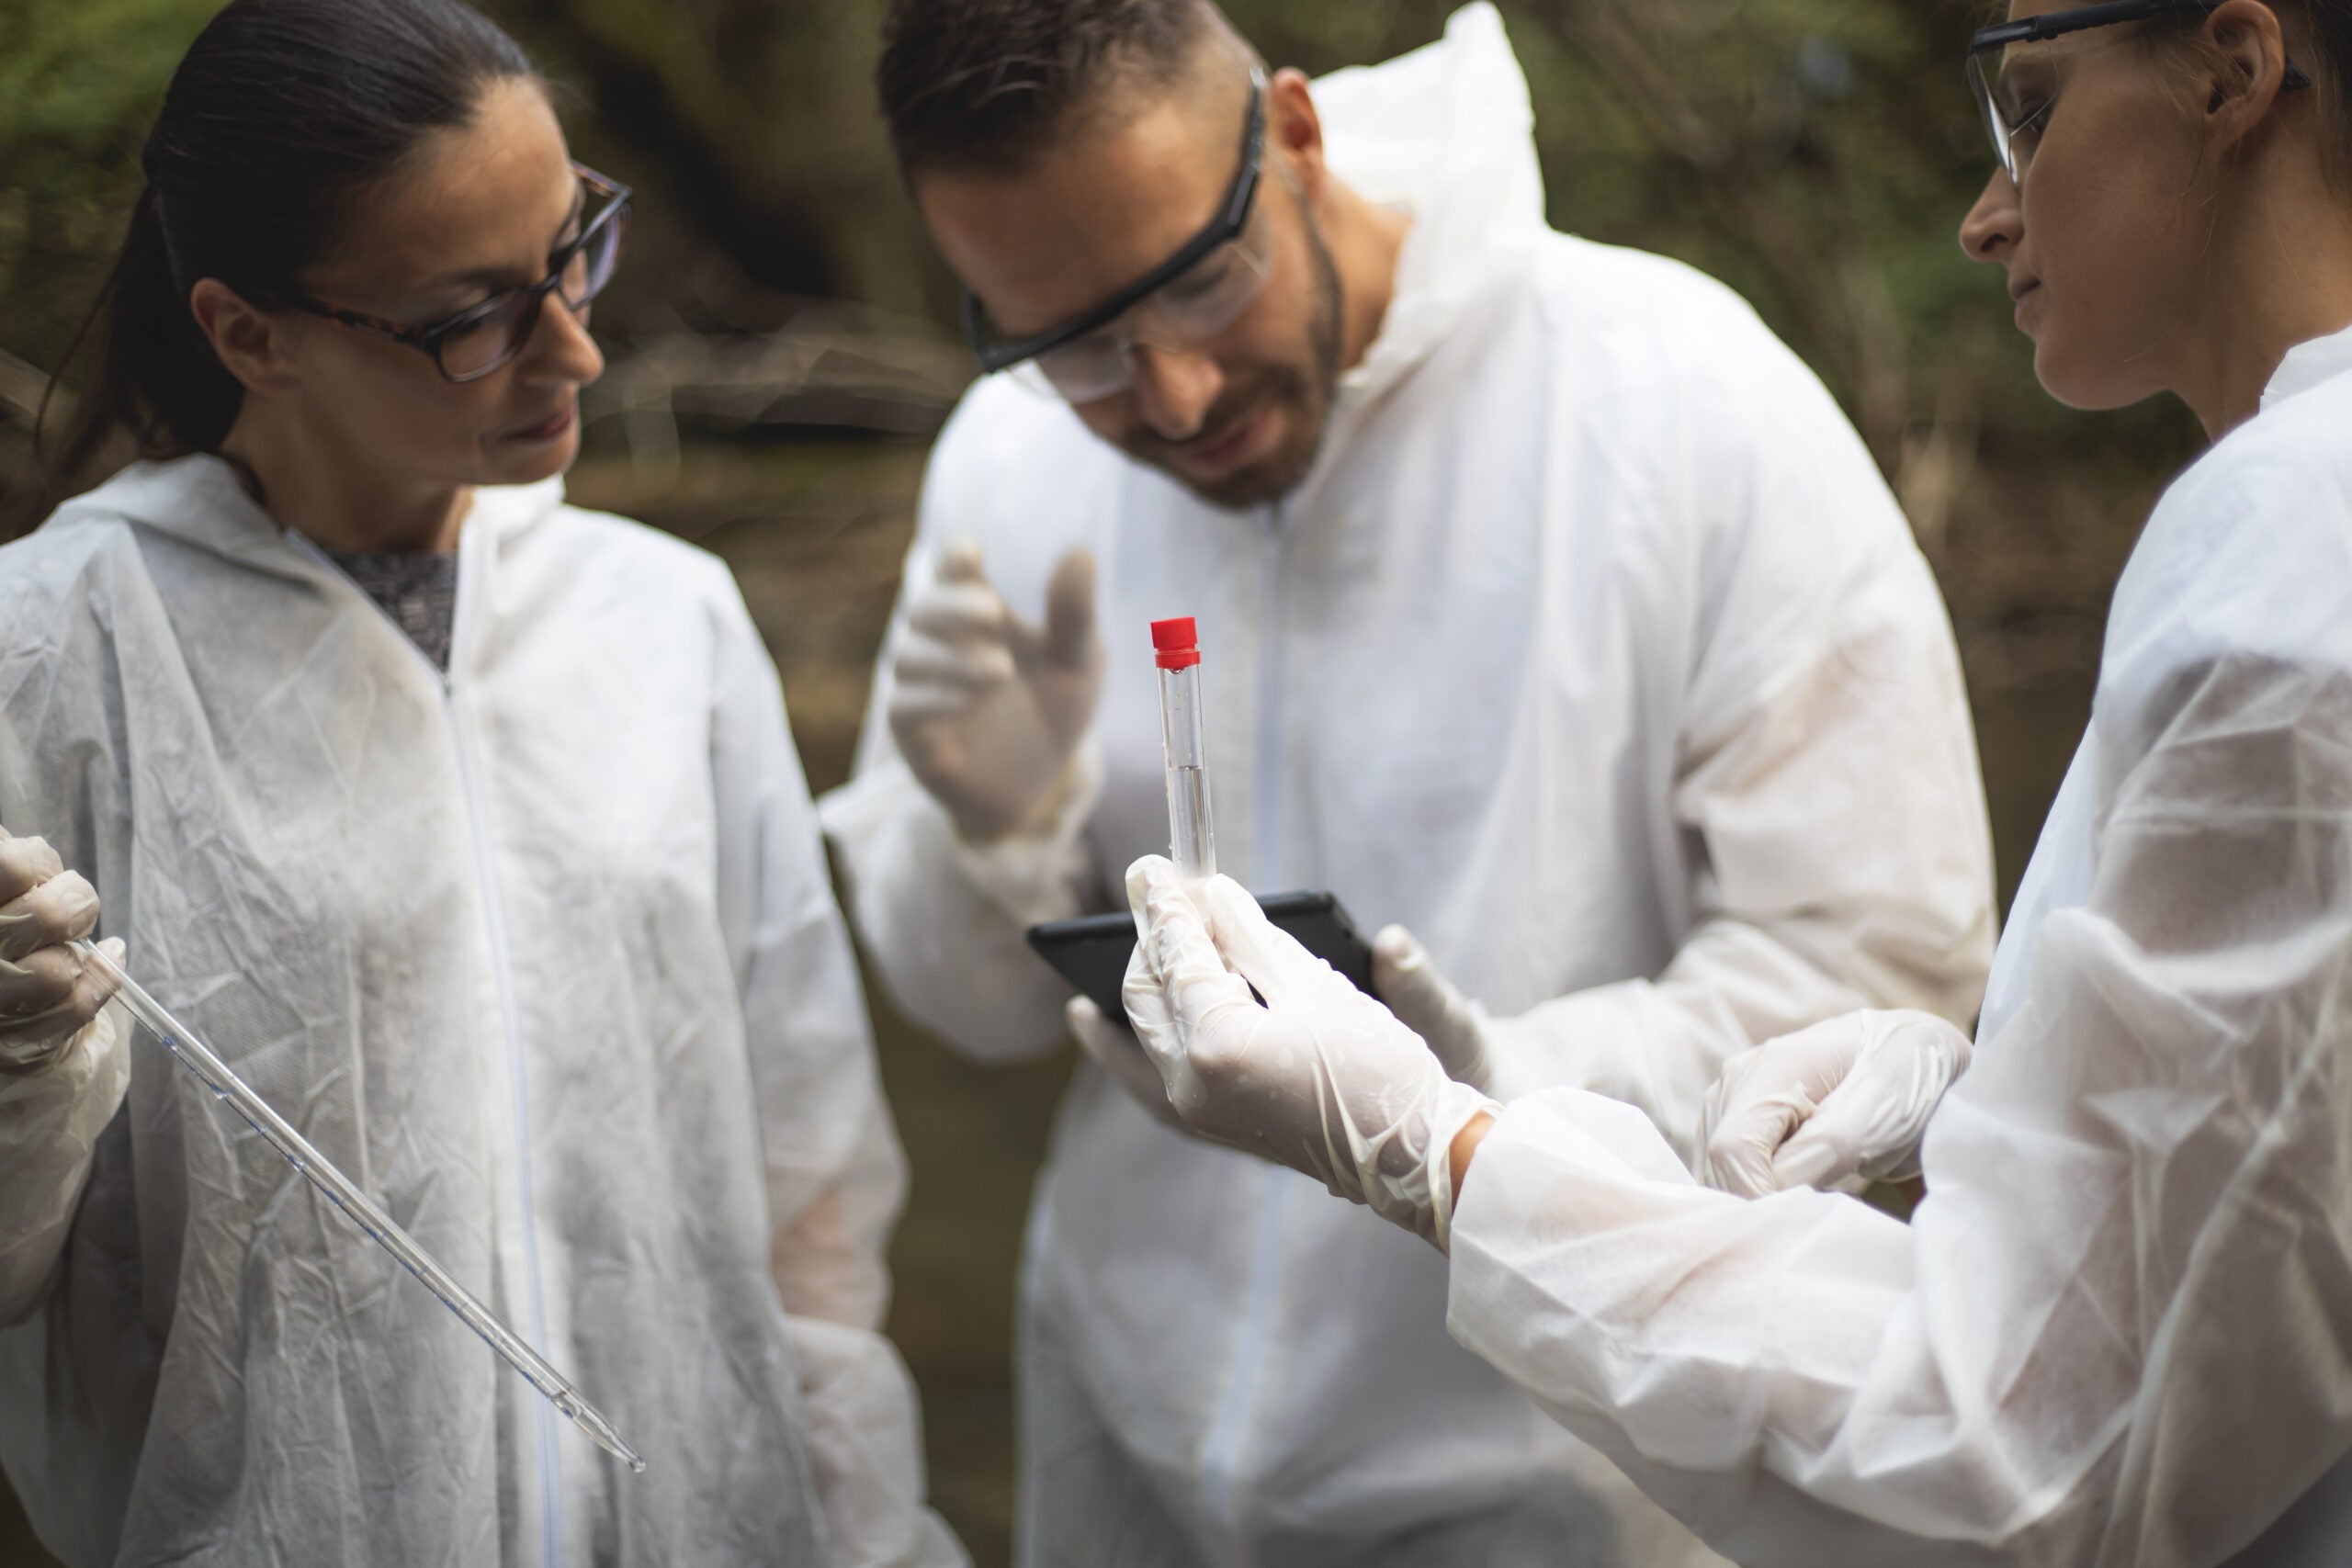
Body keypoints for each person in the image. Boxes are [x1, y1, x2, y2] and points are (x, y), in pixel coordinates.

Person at [1115, 0, 2352, 1562]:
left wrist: (1440, 1150)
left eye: (2028, 107)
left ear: (2235, 72)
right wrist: (1987, 1103)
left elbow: (2026, 1447)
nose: (1985, 215)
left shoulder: (2292, 553)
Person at [823, 1, 1999, 1561]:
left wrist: (1484, 1075)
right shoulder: (1007, 462)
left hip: (1558, 1483)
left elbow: (1884, 984)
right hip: (1125, 1443)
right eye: (1070, 343)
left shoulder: (1683, 402)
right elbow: (966, 1012)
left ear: (1296, 137)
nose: (1165, 397)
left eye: (1199, 282)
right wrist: (988, 831)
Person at [0, 3, 964, 1563]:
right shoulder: (57, 651)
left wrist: (868, 1532)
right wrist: (21, 1067)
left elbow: (810, 1183)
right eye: (476, 316)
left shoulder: (665, 623)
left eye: (573, 248)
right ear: (250, 332)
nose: (579, 347)